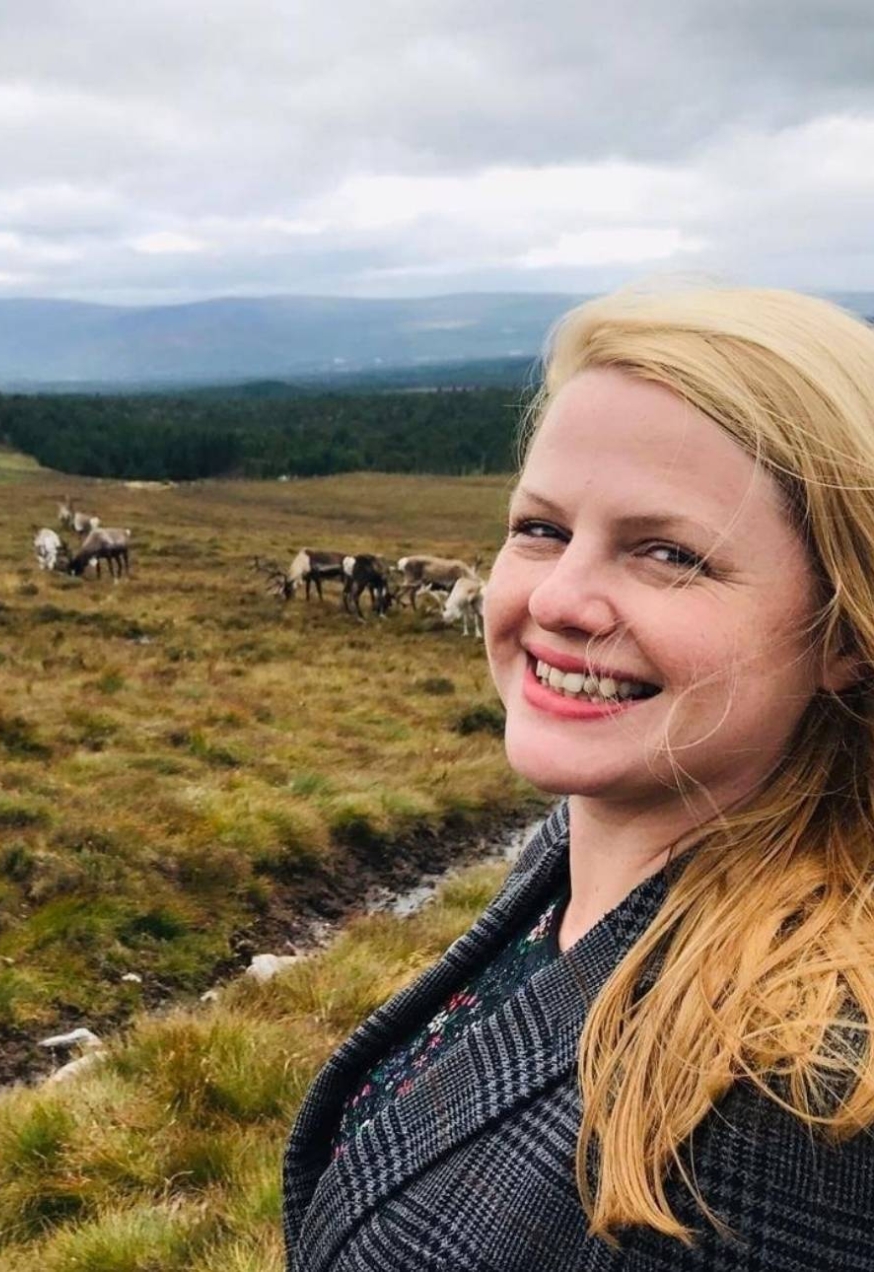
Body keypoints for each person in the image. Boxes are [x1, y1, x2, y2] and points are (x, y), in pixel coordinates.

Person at [282, 284, 874, 1271]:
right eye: (541, 529)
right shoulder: (572, 856)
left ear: (843, 637)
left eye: (669, 553)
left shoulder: (804, 1095)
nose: (556, 600)